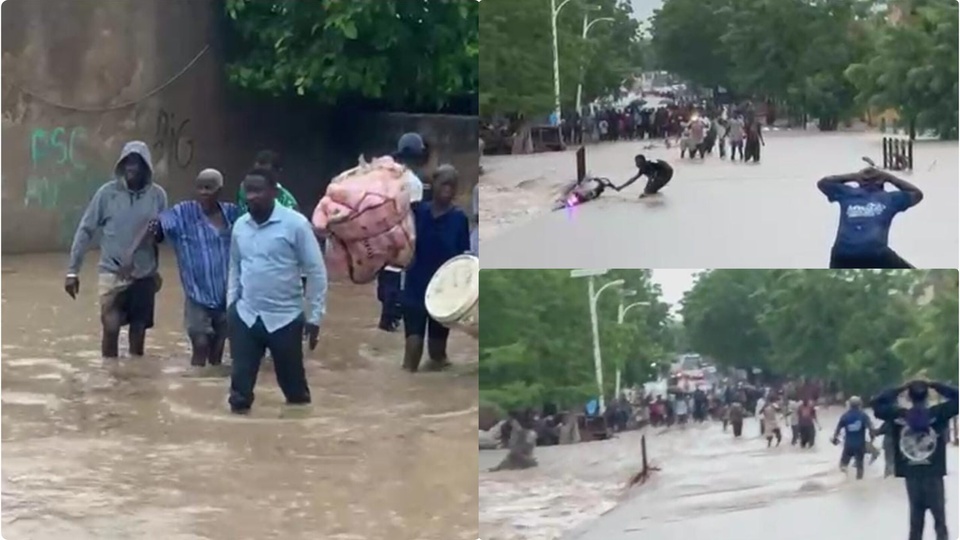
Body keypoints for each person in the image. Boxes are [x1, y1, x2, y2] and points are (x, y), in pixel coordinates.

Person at [226, 168, 327, 414]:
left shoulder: (296, 224)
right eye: (248, 191)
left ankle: (295, 440)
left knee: (295, 393)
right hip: (246, 316)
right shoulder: (240, 226)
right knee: (239, 392)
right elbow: (234, 267)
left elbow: (316, 271)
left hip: (285, 319)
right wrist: (231, 306)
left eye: (258, 190)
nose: (252, 196)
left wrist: (314, 317)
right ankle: (238, 444)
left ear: (274, 192)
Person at [122, 169, 241, 369]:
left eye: (209, 188)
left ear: (220, 190)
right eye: (200, 187)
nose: (204, 192)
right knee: (200, 344)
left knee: (217, 351)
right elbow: (154, 223)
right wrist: (131, 253)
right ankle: (195, 385)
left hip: (226, 296)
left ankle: (209, 391)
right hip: (196, 296)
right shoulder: (184, 212)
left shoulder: (232, 214)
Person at [64, 141, 167, 359]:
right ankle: (109, 379)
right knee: (110, 327)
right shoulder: (106, 194)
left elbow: (164, 236)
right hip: (111, 273)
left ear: (146, 167)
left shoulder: (158, 196)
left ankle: (134, 384)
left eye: (138, 163)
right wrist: (73, 271)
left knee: (138, 335)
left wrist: (157, 233)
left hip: (144, 274)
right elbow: (85, 230)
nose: (132, 168)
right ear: (122, 165)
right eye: (128, 162)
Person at [401, 164, 471, 372]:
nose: (448, 189)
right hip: (415, 288)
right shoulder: (417, 212)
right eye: (444, 184)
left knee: (437, 354)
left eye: (452, 185)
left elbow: (463, 259)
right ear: (434, 184)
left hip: (443, 293)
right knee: (412, 350)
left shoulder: (459, 219)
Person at [872, 379, 958, 540]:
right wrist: (935, 384)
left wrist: (900, 387)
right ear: (927, 397)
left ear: (909, 397)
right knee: (940, 525)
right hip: (934, 475)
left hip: (912, 476)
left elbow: (876, 403)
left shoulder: (899, 416)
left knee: (915, 527)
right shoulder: (938, 414)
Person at [818, 167, 923, 268]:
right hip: (874, 252)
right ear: (882, 182)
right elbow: (916, 194)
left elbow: (823, 183)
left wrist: (853, 176)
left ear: (860, 183)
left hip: (842, 253)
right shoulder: (890, 199)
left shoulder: (847, 194)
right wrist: (891, 178)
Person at [831, 396, 874, 479]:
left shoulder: (845, 416)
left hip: (848, 445)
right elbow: (871, 429)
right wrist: (872, 440)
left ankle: (846, 479)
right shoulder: (863, 415)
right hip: (860, 445)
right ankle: (859, 482)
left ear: (849, 405)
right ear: (860, 405)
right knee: (860, 466)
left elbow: (838, 429)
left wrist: (834, 439)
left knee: (843, 465)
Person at [599, 154, 674, 199]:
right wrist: (621, 187)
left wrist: (646, 191)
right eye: (636, 162)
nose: (637, 164)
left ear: (643, 161)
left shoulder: (647, 166)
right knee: (650, 191)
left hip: (666, 172)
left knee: (648, 191)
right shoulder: (643, 168)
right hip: (665, 172)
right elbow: (633, 179)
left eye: (639, 162)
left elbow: (652, 177)